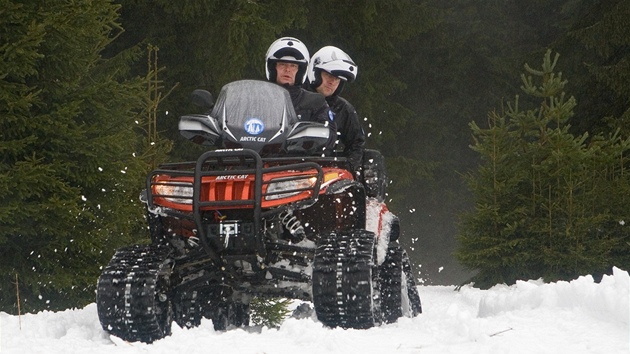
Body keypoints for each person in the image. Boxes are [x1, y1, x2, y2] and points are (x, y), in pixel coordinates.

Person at [264, 37, 336, 151]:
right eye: (282, 64)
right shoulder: (258, 99)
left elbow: (329, 135)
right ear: (273, 68)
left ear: (300, 71)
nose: (287, 70)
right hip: (258, 159)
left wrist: (304, 141)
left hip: (300, 163)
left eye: (293, 66)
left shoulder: (315, 102)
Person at [306, 46, 365, 171]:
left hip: (323, 173)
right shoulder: (294, 99)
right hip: (285, 167)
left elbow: (356, 144)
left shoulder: (344, 109)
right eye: (328, 75)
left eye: (337, 79)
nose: (332, 82)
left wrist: (348, 169)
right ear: (315, 72)